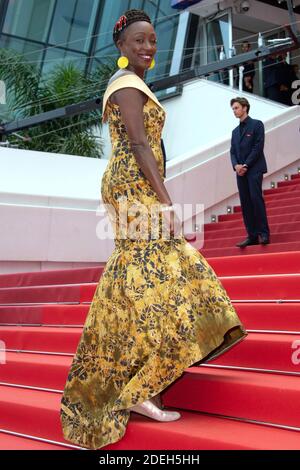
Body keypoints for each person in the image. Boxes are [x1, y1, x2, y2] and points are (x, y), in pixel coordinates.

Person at [60, 9, 248, 451]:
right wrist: (166, 200)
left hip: (130, 187)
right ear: (121, 46)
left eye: (153, 41)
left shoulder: (131, 84)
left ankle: (136, 379)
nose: (148, 48)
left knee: (141, 281)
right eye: (139, 41)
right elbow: (141, 144)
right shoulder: (125, 85)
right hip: (133, 189)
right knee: (173, 269)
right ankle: (140, 384)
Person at [230, 97, 270, 247]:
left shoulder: (257, 125)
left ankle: (264, 234)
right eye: (233, 109)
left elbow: (258, 147)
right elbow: (232, 152)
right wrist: (236, 166)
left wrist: (245, 165)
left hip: (254, 169)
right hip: (240, 172)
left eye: (236, 108)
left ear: (245, 107)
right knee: (245, 203)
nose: (234, 111)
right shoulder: (234, 132)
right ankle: (252, 236)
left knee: (256, 199)